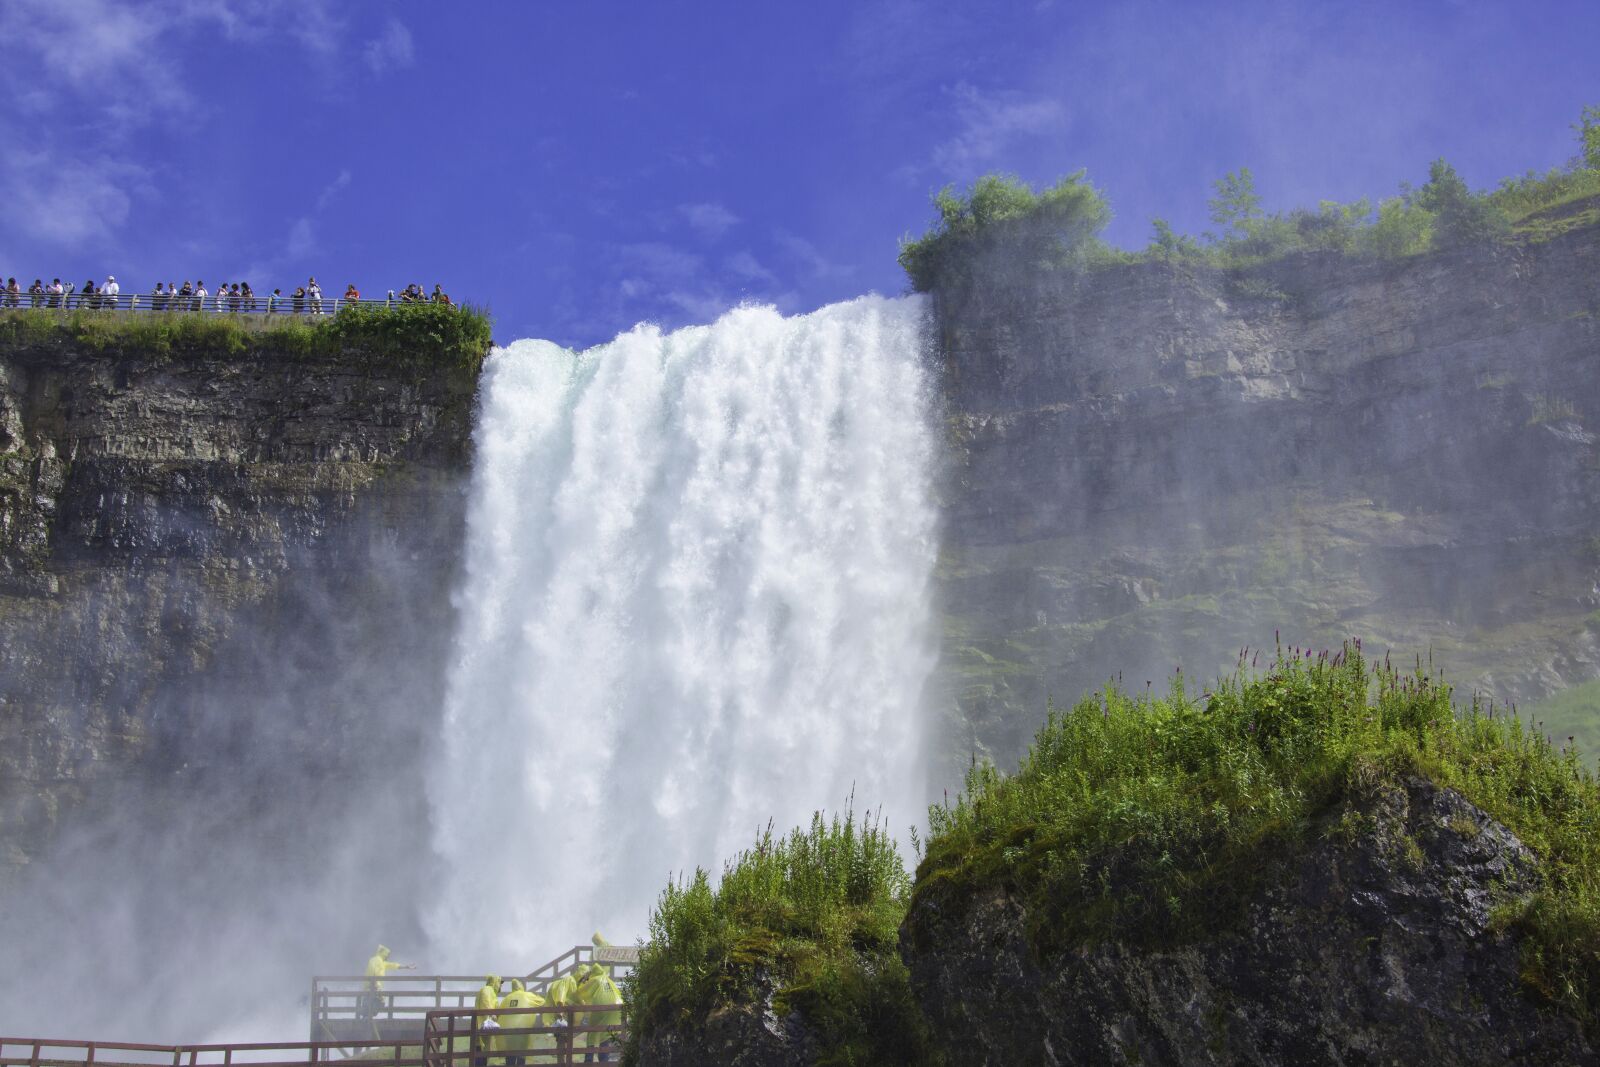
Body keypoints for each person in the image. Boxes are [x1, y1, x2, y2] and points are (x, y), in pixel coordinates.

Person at [575, 964, 623, 1063]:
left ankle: (588, 1060)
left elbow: (580, 992)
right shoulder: (609, 981)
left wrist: (582, 981)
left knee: (592, 1032)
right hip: (616, 1009)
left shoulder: (595, 980)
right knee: (606, 1033)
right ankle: (604, 1060)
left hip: (601, 1008)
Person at [361, 944, 414, 1021]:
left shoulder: (381, 962)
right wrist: (374, 983)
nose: (388, 957)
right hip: (373, 986)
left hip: (372, 986)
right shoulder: (376, 960)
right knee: (376, 1001)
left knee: (373, 1001)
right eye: (387, 955)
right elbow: (373, 970)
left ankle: (367, 1016)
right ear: (384, 954)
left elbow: (392, 965)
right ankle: (367, 1016)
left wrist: (405, 967)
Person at [473, 975, 502, 1067]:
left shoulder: (491, 992)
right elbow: (486, 1005)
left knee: (483, 1051)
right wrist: (491, 1016)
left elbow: (496, 1007)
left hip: (484, 1025)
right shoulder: (487, 990)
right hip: (483, 1025)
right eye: (499, 983)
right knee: (480, 1052)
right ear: (495, 982)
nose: (500, 986)